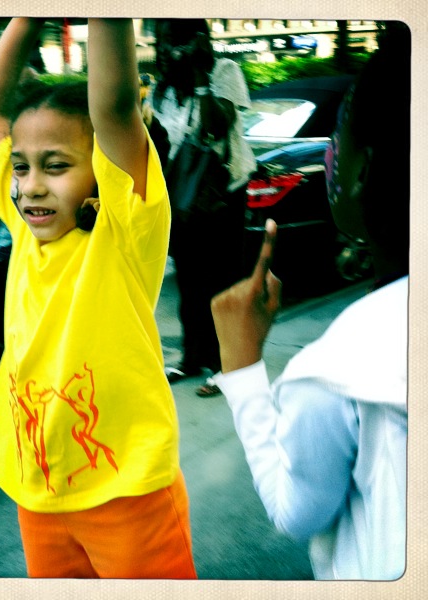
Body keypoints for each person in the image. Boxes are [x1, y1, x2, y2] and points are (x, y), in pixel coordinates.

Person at [0, 17, 197, 579]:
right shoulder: (24, 229)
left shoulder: (124, 232)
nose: (31, 184)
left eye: (57, 166)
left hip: (127, 494)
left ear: (101, 175)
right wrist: (30, 15)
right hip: (37, 491)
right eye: (21, 166)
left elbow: (114, 108)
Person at [210, 31, 410, 581]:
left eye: (340, 135)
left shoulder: (338, 369)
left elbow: (296, 512)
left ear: (362, 169)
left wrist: (241, 365)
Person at [153, 19, 257, 397]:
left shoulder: (223, 72)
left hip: (221, 194)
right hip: (183, 198)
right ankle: (192, 357)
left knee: (222, 281)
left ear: (198, 40)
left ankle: (226, 365)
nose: (168, 50)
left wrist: (200, 77)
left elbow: (216, 127)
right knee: (190, 282)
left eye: (175, 41)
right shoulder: (163, 91)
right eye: (163, 42)